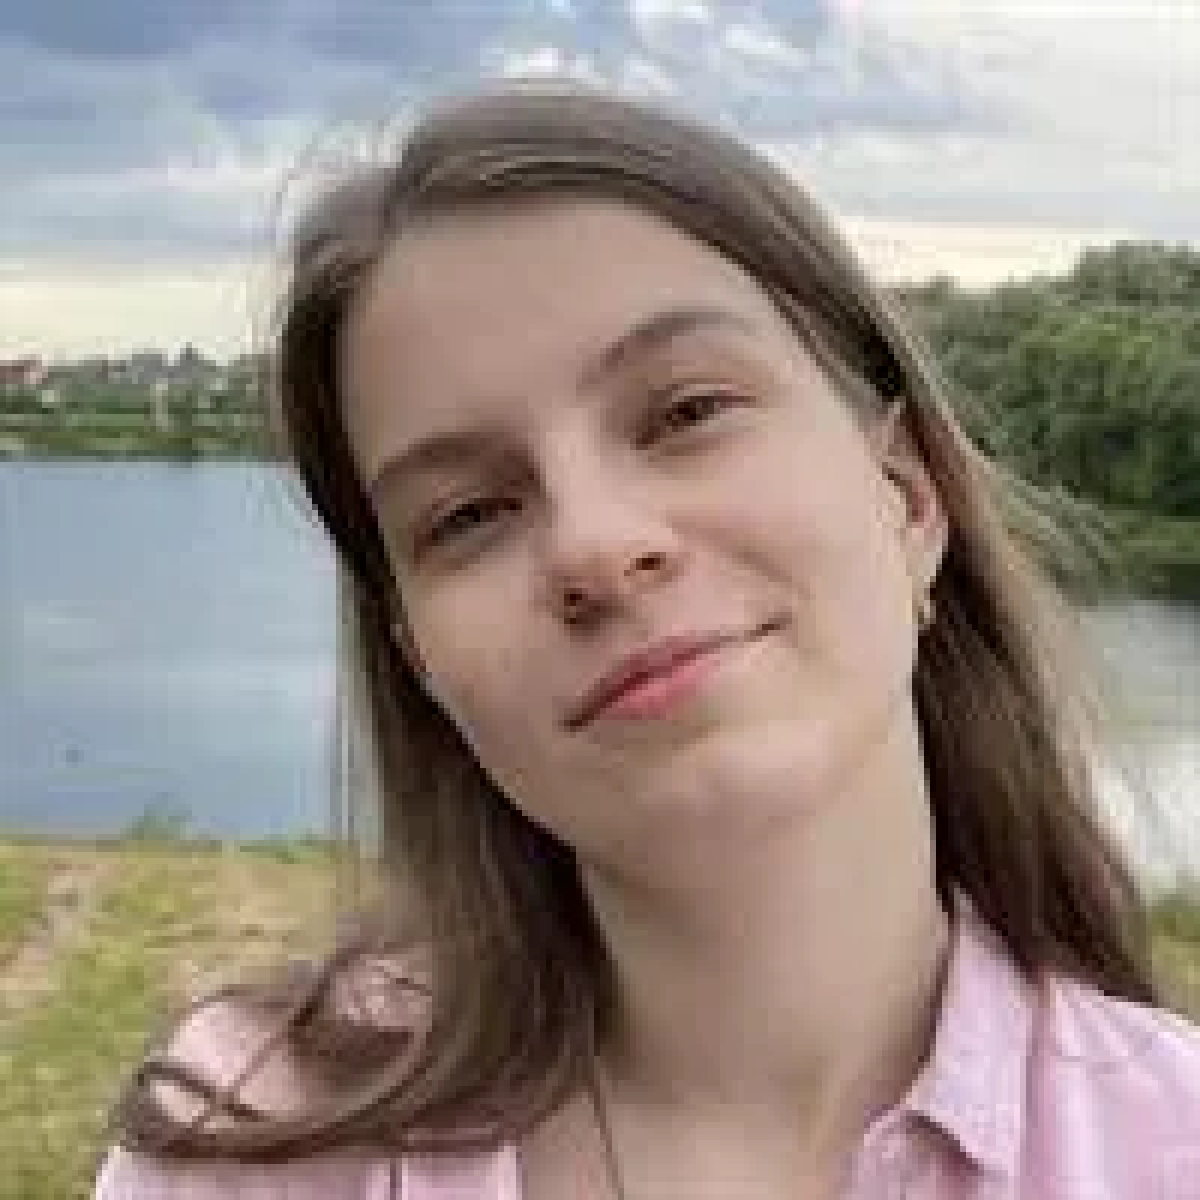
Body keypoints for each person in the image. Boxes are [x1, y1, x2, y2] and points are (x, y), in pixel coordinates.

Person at [94, 83, 1199, 1199]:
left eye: (686, 412)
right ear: (420, 660)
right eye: (468, 515)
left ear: (907, 498)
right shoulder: (256, 1151)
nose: (595, 544)